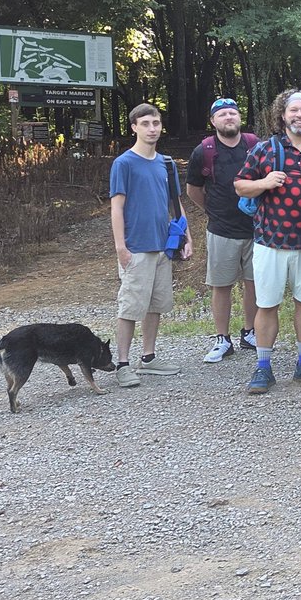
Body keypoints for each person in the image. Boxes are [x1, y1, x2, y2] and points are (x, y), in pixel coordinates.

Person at [234, 90, 301, 394]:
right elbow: (240, 186)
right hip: (269, 243)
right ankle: (263, 368)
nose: (299, 116)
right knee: (266, 306)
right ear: (283, 115)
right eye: (294, 110)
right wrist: (264, 183)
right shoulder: (264, 151)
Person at [109, 103, 191, 388]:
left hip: (162, 247)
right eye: (145, 124)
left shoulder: (166, 163)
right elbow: (116, 208)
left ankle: (148, 357)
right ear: (134, 127)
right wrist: (121, 247)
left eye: (155, 123)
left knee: (155, 305)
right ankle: (122, 363)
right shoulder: (124, 163)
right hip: (136, 247)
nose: (152, 128)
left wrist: (187, 237)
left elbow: (176, 203)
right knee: (131, 306)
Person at [185, 98, 258, 363]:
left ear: (239, 118)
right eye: (222, 114)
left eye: (233, 113)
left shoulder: (254, 145)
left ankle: (250, 333)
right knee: (221, 285)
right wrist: (211, 210)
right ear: (213, 121)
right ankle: (222, 339)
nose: (229, 117)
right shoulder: (203, 150)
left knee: (253, 284)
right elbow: (193, 190)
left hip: (255, 228)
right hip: (221, 229)